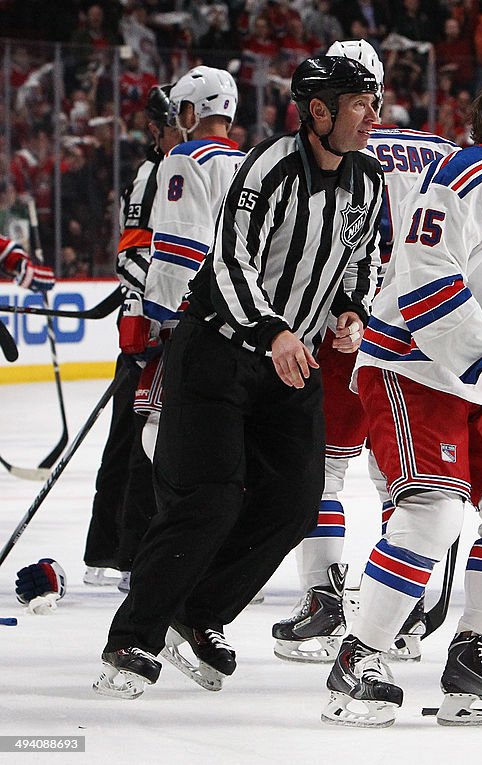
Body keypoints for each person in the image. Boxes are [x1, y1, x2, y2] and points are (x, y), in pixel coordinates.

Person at [94, 55, 385, 700]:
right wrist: (273, 330)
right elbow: (228, 261)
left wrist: (349, 310)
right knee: (210, 498)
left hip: (291, 362)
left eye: (374, 101)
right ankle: (134, 637)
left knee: (295, 500)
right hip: (221, 352)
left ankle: (197, 615)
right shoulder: (268, 168)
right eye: (361, 103)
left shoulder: (367, 180)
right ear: (318, 111)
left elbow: (360, 261)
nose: (374, 115)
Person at [322, 67, 482, 728]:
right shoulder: (468, 173)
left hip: (474, 379)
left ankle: (472, 656)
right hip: (413, 364)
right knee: (432, 511)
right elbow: (423, 276)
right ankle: (358, 656)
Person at [273, 38, 459, 665]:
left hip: (340, 327)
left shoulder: (329, 149)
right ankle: (408, 607)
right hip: (421, 337)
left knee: (322, 467)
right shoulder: (442, 153)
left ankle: (325, 599)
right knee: (407, 484)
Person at [82, 84, 179, 592]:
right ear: (157, 130)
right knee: (131, 441)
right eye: (169, 127)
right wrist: (173, 303)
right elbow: (132, 254)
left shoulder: (196, 168)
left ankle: (133, 549)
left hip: (175, 329)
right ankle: (115, 551)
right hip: (147, 328)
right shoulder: (153, 175)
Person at [134, 66, 248, 459]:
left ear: (192, 112)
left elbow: (179, 248)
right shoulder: (255, 162)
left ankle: (187, 511)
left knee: (161, 427)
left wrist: (154, 317)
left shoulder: (185, 157)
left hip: (196, 320)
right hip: (249, 321)